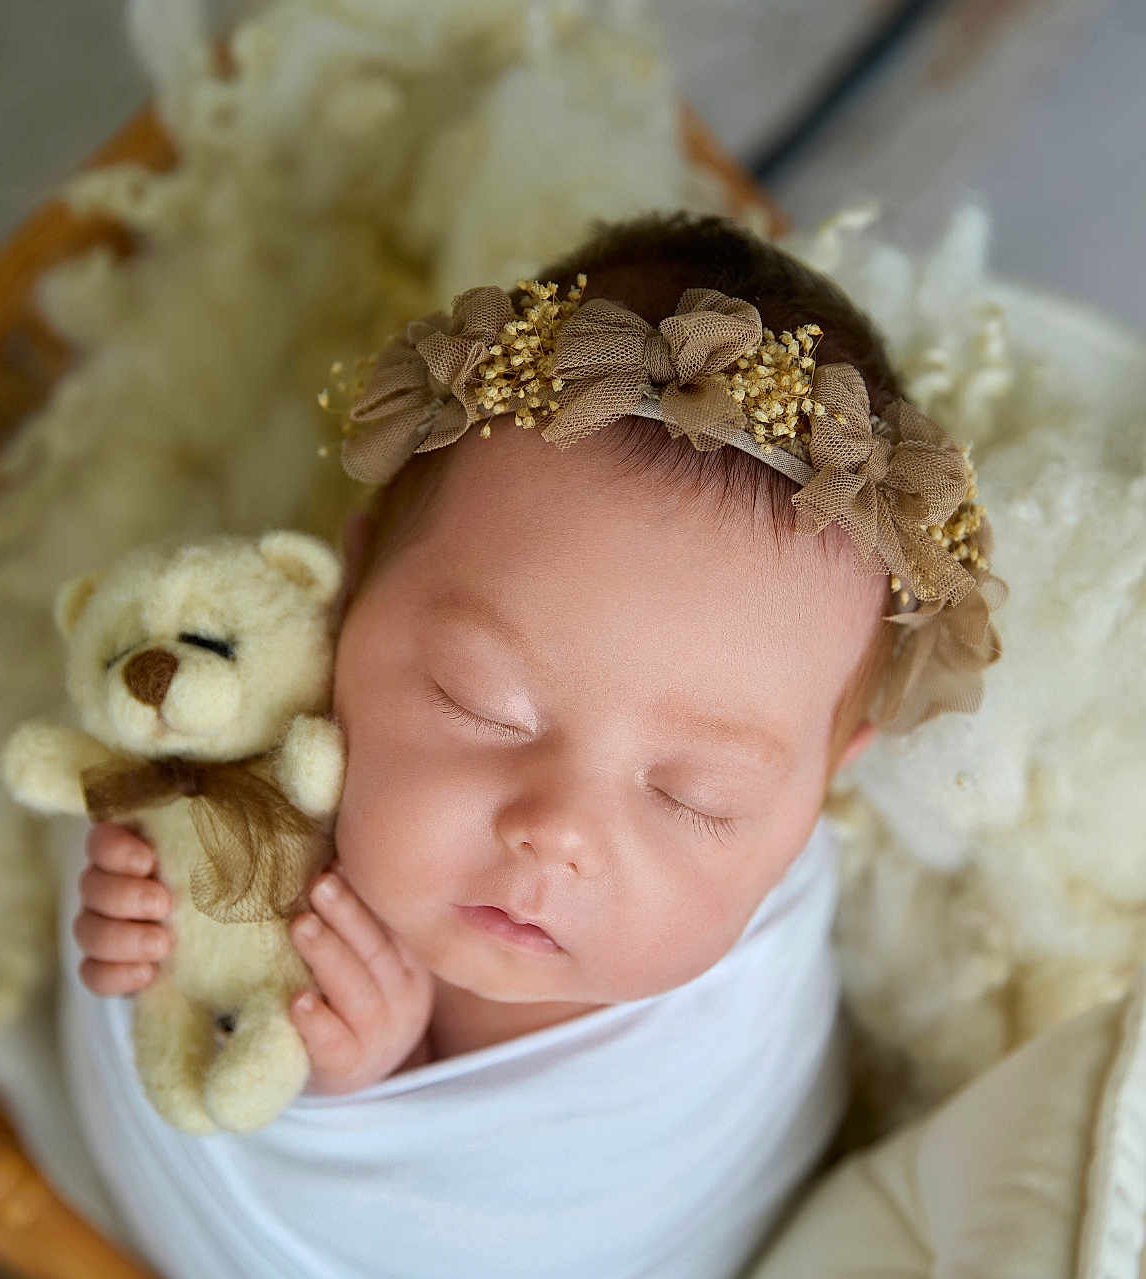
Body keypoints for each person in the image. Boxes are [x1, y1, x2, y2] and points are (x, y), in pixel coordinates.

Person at [61, 210, 1004, 1278]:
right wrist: (152, 924)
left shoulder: (720, 1021)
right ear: (349, 589)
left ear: (821, 789)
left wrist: (369, 1083)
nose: (558, 832)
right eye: (482, 704)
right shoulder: (251, 723)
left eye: (696, 795)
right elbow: (167, 946)